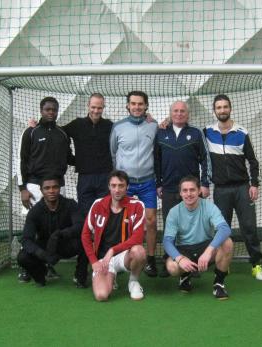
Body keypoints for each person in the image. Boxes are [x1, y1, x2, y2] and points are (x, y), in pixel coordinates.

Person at [203, 94, 262, 280]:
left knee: (249, 227)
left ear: (230, 108)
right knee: (222, 228)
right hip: (221, 190)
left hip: (242, 188)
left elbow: (253, 162)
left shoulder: (242, 132)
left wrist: (254, 184)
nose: (222, 110)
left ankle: (256, 265)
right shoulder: (206, 132)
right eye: (219, 107)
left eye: (225, 107)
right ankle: (224, 264)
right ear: (214, 110)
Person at [17, 96, 74, 281]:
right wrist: (22, 188)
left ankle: (49, 265)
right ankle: (26, 266)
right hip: (34, 184)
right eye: (48, 109)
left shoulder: (62, 134)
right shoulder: (31, 132)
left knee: (54, 227)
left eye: (54, 110)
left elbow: (69, 158)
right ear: (41, 110)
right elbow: (22, 160)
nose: (51, 112)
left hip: (59, 185)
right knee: (32, 226)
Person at [154, 100, 210, 277]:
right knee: (171, 226)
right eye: (176, 111)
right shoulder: (161, 133)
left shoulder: (195, 133)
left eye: (182, 111)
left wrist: (205, 184)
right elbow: (157, 160)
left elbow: (205, 160)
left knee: (192, 226)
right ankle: (169, 261)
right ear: (171, 113)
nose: (179, 114)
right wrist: (158, 183)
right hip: (169, 189)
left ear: (188, 114)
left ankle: (193, 262)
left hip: (191, 191)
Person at [109, 91, 160, 277]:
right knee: (124, 221)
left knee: (151, 221)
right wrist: (119, 182)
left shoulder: (153, 125)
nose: (136, 107)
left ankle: (151, 260)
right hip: (126, 185)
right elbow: (113, 154)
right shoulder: (118, 127)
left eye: (140, 104)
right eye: (133, 104)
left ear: (146, 106)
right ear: (127, 106)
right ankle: (123, 258)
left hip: (148, 182)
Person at [163, 176, 233, 300]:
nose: (189, 194)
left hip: (205, 247)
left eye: (192, 190)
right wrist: (179, 259)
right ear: (180, 193)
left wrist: (208, 251)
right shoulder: (174, 212)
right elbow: (167, 241)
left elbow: (224, 229)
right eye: (185, 190)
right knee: (172, 267)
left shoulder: (209, 206)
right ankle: (185, 275)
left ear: (199, 190)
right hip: (184, 250)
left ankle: (219, 283)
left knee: (227, 243)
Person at [81, 170, 147, 301]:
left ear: (127, 187)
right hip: (102, 259)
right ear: (109, 187)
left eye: (121, 186)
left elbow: (137, 238)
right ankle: (112, 277)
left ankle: (133, 282)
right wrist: (93, 261)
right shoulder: (98, 204)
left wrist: (112, 250)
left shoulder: (138, 206)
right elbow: (85, 234)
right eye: (113, 185)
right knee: (101, 296)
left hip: (123, 255)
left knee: (139, 251)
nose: (117, 190)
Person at [17, 176, 88, 288]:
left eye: (55, 187)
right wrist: (41, 254)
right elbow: (26, 239)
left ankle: (80, 277)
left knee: (87, 241)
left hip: (66, 243)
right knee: (22, 257)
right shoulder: (35, 211)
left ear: (59, 189)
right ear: (41, 190)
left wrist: (60, 234)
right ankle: (41, 274)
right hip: (46, 246)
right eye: (47, 188)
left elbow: (80, 226)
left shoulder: (70, 204)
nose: (51, 191)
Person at [62, 93, 113, 212]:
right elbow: (58, 133)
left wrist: (145, 117)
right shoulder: (77, 124)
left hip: (105, 176)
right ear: (88, 106)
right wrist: (71, 159)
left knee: (104, 212)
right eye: (93, 107)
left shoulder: (110, 126)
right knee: (85, 212)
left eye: (99, 108)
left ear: (103, 108)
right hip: (85, 177)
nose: (96, 111)